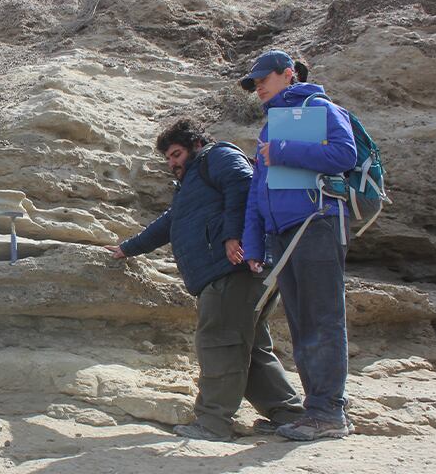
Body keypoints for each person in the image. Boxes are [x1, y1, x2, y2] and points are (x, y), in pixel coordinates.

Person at [105, 118, 304, 442]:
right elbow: (169, 223)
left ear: (196, 144)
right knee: (249, 348)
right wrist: (127, 248)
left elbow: (244, 186)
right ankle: (288, 414)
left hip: (232, 269)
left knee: (219, 343)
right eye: (168, 158)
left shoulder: (219, 156)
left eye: (176, 154)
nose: (172, 163)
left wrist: (231, 236)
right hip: (235, 272)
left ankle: (212, 423)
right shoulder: (191, 185)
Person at [240, 50, 357, 441]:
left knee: (322, 319)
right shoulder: (272, 126)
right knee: (302, 323)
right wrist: (254, 244)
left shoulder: (316, 106)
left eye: (263, 78)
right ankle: (319, 409)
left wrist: (285, 151)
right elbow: (259, 190)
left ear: (288, 74)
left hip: (317, 224)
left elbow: (345, 153)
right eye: (253, 81)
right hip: (283, 233)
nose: (257, 85)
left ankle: (328, 413)